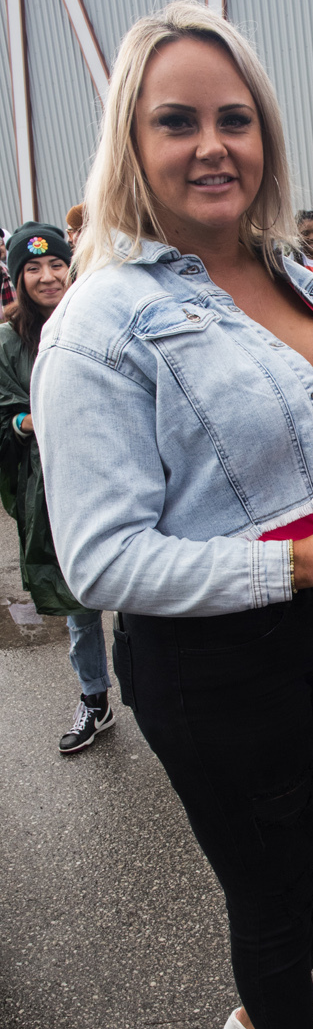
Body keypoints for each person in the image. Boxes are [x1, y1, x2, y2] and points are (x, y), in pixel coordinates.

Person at [32, 1, 313, 1029]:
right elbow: (99, 557)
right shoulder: (102, 320)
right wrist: (300, 558)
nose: (213, 144)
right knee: (270, 884)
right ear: (131, 141)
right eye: (177, 122)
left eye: (235, 118)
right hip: (210, 656)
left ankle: (259, 1021)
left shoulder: (291, 273)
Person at [0, 222, 116, 753]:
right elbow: (4, 416)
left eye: (56, 264)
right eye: (33, 268)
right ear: (17, 277)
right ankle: (95, 698)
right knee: (79, 600)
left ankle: (158, 696)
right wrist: (31, 419)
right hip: (54, 488)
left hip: (114, 473)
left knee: (147, 591)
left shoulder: (97, 317)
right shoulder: (8, 341)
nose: (47, 276)